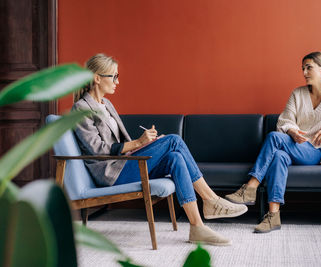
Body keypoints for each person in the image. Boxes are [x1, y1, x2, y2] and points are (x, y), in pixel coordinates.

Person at [72, 53, 248, 246]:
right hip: (111, 173)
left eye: (117, 76)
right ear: (97, 78)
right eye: (113, 76)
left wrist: (146, 144)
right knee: (174, 140)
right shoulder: (81, 109)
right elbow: (98, 150)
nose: (117, 82)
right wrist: (138, 143)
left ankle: (197, 227)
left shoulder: (107, 105)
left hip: (125, 163)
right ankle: (211, 199)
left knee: (175, 158)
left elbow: (123, 144)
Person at [226, 51, 321, 233]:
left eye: (309, 68)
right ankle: (273, 216)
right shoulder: (297, 93)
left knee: (274, 137)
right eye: (303, 68)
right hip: (292, 145)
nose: (305, 72)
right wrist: (292, 131)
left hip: (315, 150)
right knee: (279, 157)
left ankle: (250, 187)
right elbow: (284, 120)